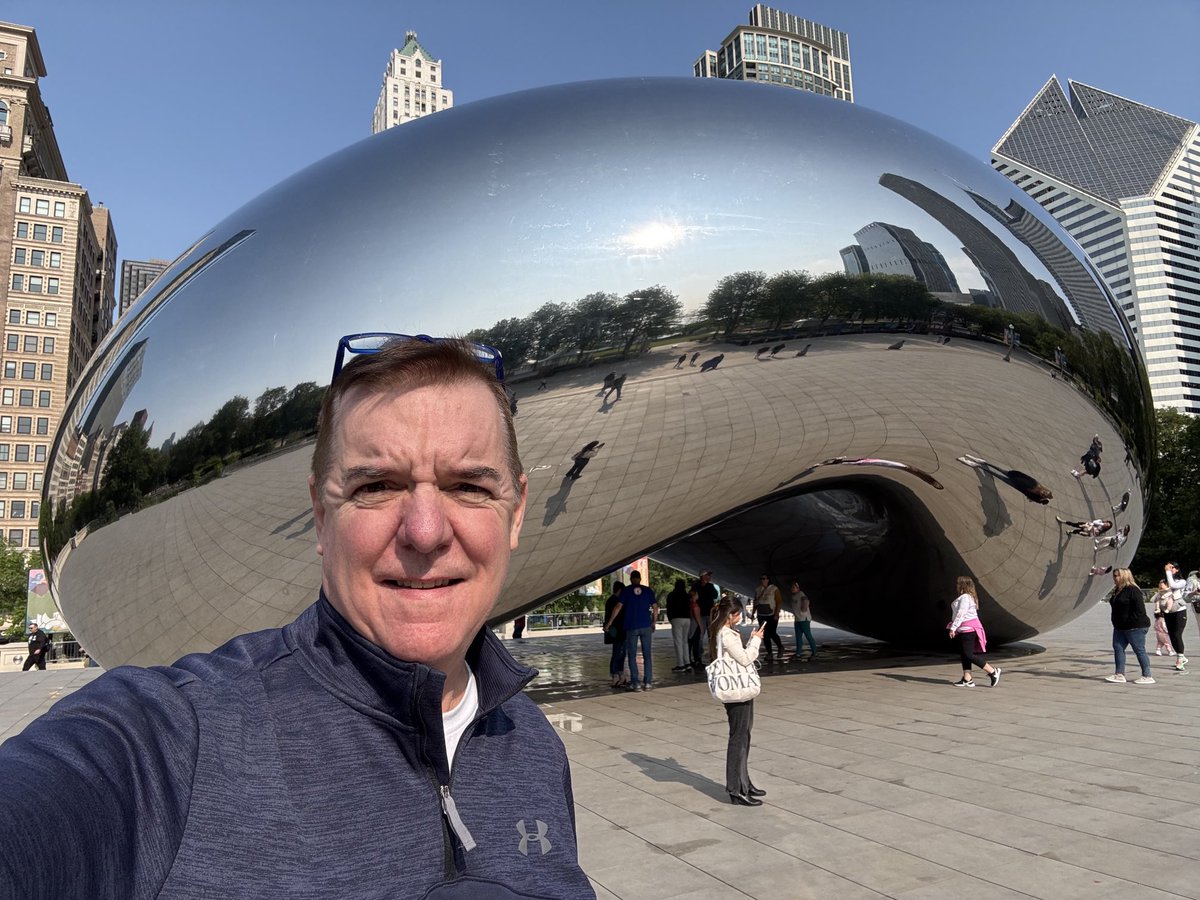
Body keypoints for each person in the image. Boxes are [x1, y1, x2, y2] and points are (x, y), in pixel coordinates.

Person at [0, 336, 593, 898]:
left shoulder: (534, 746)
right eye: (377, 486)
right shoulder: (176, 739)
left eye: (468, 486)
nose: (425, 532)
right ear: (320, 514)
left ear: (515, 514)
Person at [709, 595, 765, 806]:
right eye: (738, 613)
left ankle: (744, 782)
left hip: (741, 692)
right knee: (738, 739)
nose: (740, 616)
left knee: (744, 736)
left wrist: (750, 639)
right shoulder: (727, 634)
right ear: (730, 615)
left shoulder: (725, 632)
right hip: (736, 693)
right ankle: (736, 788)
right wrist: (757, 640)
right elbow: (745, 659)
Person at [604, 570, 658, 691]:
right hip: (646, 625)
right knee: (647, 654)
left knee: (632, 655)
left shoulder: (626, 591)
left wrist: (609, 622)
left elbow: (618, 607)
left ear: (631, 579)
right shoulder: (648, 590)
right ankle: (648, 682)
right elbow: (655, 607)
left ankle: (636, 682)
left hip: (631, 626)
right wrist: (653, 622)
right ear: (640, 579)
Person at [946, 576, 1001, 687]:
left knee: (968, 654)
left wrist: (953, 627)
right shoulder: (968, 597)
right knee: (965, 654)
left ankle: (992, 671)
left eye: (958, 583)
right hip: (964, 629)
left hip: (968, 629)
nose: (956, 586)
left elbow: (961, 613)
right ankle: (967, 679)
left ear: (963, 585)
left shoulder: (965, 597)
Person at [1105, 568, 1155, 683]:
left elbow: (1140, 610)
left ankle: (1147, 676)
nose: (1114, 578)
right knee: (1118, 648)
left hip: (1135, 626)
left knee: (1139, 650)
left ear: (1124, 576)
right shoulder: (1118, 590)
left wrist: (1131, 622)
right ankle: (1119, 674)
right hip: (1119, 627)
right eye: (1114, 575)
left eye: (1117, 575)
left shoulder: (1133, 590)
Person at [1163, 562, 1189, 672]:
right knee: (1172, 635)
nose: (1170, 569)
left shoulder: (1182, 581)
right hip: (1168, 611)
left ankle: (1180, 658)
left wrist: (1168, 572)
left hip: (1179, 610)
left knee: (1178, 634)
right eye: (1169, 567)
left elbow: (1173, 586)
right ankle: (1181, 655)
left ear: (1177, 569)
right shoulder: (1166, 581)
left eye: (1172, 567)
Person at [753, 575, 784, 662]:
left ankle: (780, 646)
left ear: (768, 579)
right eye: (761, 578)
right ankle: (769, 653)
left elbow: (779, 601)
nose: (762, 580)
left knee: (772, 633)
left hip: (771, 614)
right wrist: (753, 613)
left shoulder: (774, 589)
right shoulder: (758, 589)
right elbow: (755, 602)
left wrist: (777, 613)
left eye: (764, 578)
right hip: (761, 615)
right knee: (765, 634)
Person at [665, 578, 693, 672]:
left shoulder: (672, 595)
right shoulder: (686, 595)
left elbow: (669, 608)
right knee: (685, 641)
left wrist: (670, 619)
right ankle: (687, 663)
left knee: (678, 642)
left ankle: (680, 664)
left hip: (676, 619)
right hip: (687, 619)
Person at [604, 580, 628, 688]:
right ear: (620, 590)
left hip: (618, 630)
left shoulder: (611, 600)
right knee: (618, 653)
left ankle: (618, 674)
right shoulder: (616, 601)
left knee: (619, 653)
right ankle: (616, 675)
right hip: (619, 630)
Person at [692, 570, 719, 665]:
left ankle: (700, 657)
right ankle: (711, 655)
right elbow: (716, 596)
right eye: (708, 575)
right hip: (704, 614)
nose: (709, 577)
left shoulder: (696, 586)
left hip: (704, 614)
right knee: (709, 636)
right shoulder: (708, 586)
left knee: (703, 636)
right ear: (703, 576)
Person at [788, 581, 817, 659]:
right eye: (791, 587)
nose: (792, 589)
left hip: (804, 619)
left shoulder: (801, 594)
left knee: (808, 635)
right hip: (797, 619)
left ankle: (814, 652)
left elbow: (806, 602)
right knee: (798, 637)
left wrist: (803, 611)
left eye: (794, 587)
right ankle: (798, 653)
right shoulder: (793, 596)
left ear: (798, 588)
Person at [1151, 582, 1175, 656]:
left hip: (1165, 615)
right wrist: (1158, 593)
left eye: (1162, 585)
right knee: (1164, 636)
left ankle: (1158, 649)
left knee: (1161, 637)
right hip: (1162, 616)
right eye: (1160, 585)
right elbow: (1153, 600)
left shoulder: (1169, 593)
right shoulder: (1159, 595)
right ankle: (1169, 650)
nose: (1161, 586)